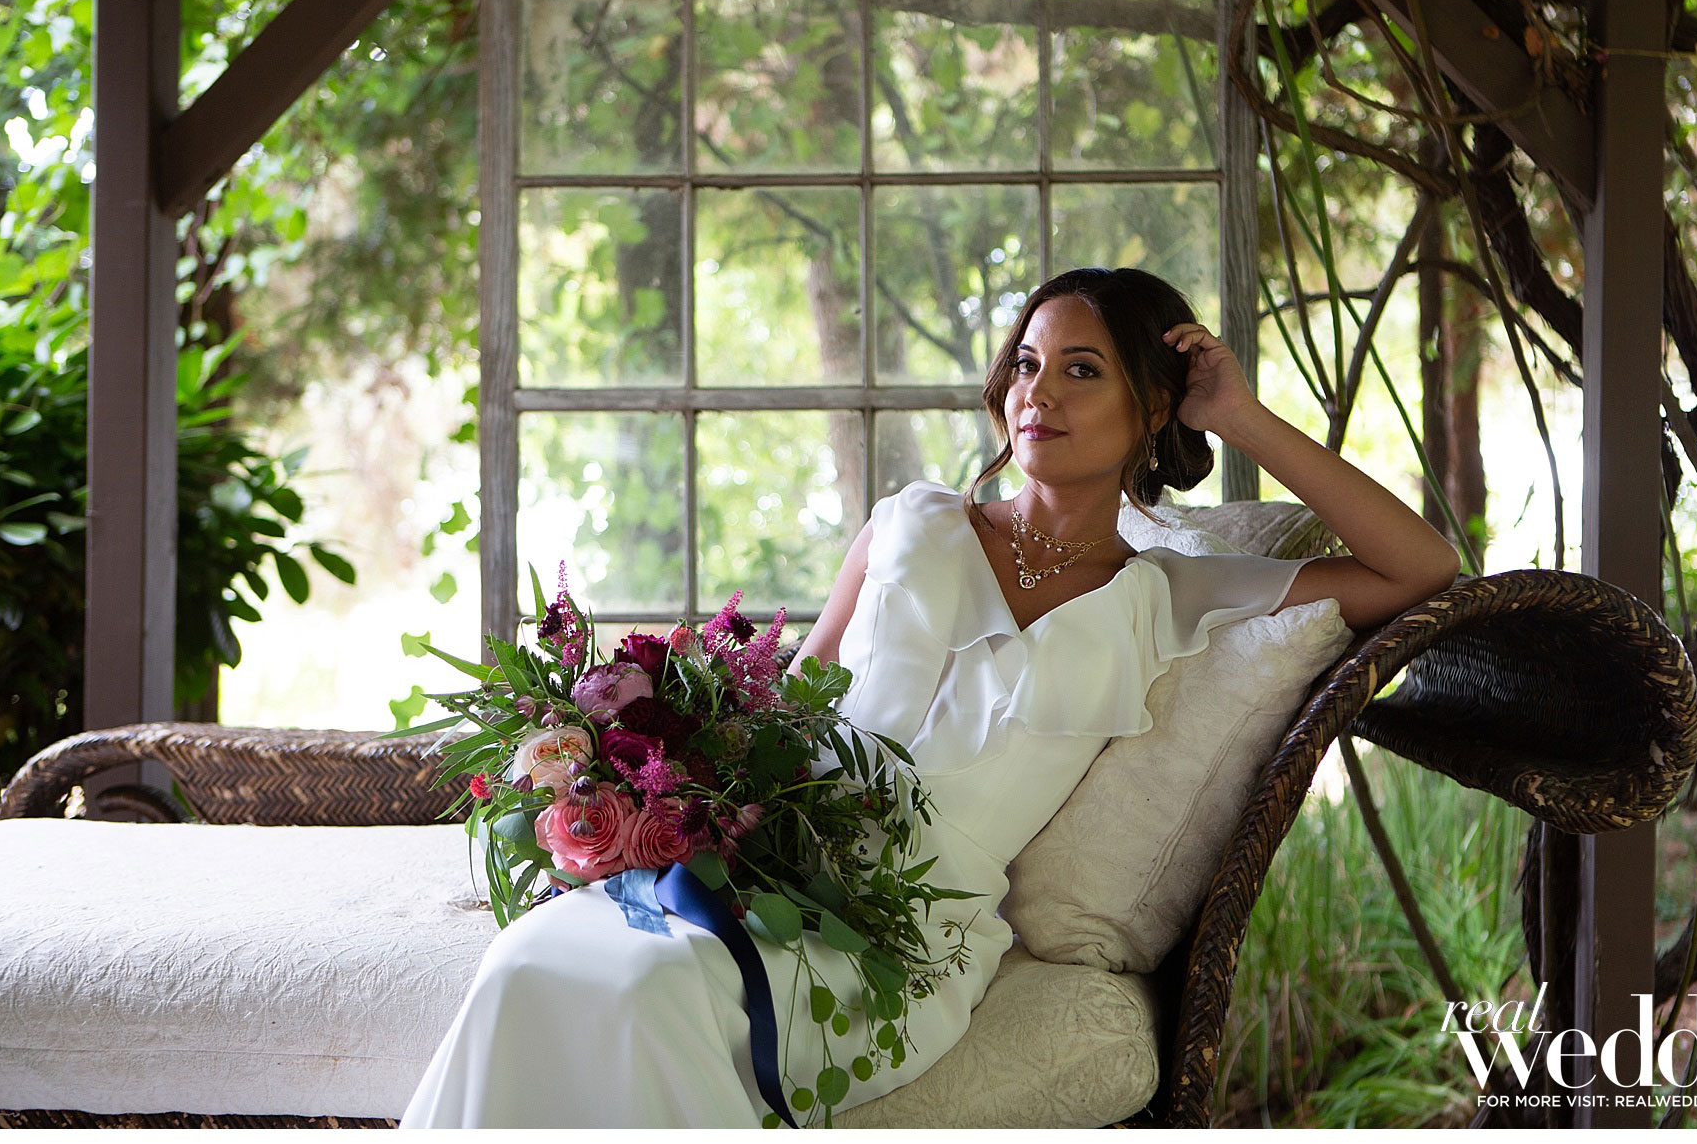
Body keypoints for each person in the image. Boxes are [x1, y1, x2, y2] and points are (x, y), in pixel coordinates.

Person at [400, 267, 1458, 1128]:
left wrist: (1238, 415)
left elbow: (1420, 567)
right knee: (528, 962)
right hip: (762, 873)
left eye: (1081, 370)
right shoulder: (909, 524)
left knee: (643, 997)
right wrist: (658, 772)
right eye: (1027, 364)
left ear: (1151, 411)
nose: (1038, 393)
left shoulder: (1172, 593)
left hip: (897, 941)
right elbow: (786, 705)